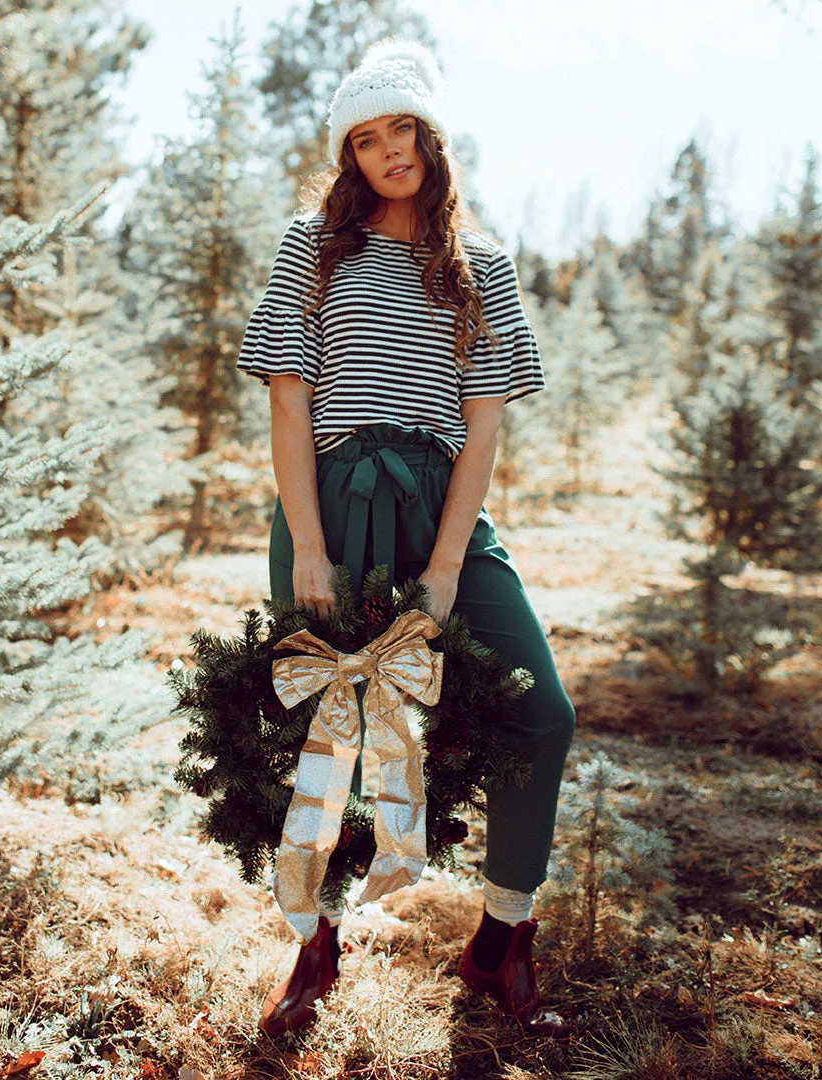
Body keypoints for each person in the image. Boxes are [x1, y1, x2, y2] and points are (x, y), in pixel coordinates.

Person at [234, 37, 575, 1040]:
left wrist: (442, 569)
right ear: (350, 155)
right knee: (318, 736)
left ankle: (500, 944)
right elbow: (289, 405)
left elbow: (483, 433)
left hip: (441, 507)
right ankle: (315, 944)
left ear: (432, 136)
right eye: (366, 138)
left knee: (541, 712)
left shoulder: (486, 268)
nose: (388, 151)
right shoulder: (315, 245)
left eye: (402, 130)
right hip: (331, 500)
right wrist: (308, 545)